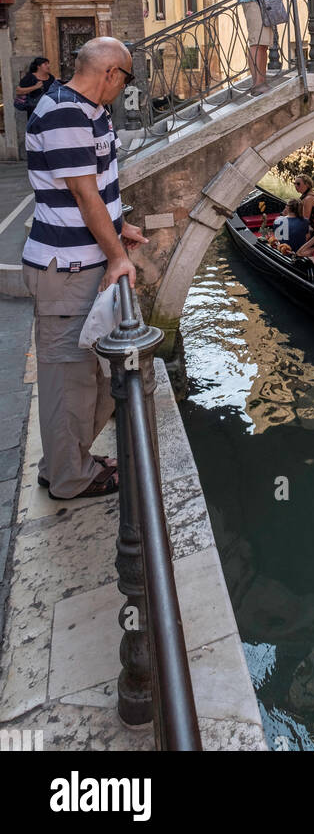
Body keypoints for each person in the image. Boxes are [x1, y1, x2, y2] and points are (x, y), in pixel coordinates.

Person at [21, 37, 147, 501]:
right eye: (126, 77)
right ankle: (68, 477)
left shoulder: (91, 112)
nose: (124, 87)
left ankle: (66, 462)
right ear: (111, 73)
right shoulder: (63, 112)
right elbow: (82, 193)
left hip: (83, 263)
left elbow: (98, 193)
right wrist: (117, 256)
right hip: (66, 270)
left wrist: (120, 228)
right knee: (70, 379)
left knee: (90, 376)